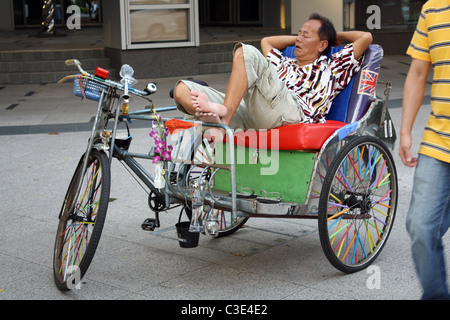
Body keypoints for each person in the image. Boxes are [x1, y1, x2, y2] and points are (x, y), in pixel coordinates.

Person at [173, 13, 372, 131]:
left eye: (305, 35)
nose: (298, 39)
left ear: (322, 44)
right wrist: (301, 36)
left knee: (246, 53)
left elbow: (366, 37)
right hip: (257, 112)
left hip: (293, 114)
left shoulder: (332, 66)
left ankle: (223, 118)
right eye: (298, 34)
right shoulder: (285, 62)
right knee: (183, 89)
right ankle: (218, 115)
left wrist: (334, 37)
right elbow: (266, 41)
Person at [399, 0, 450, 300]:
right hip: (438, 139)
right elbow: (418, 72)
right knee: (421, 226)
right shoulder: (433, 8)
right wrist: (405, 130)